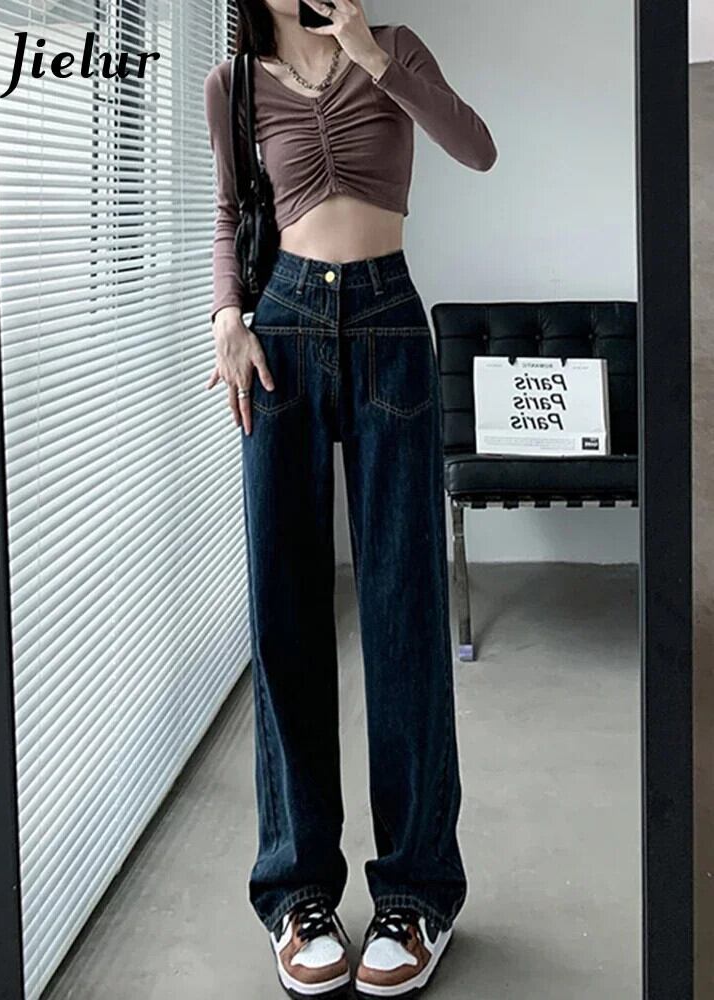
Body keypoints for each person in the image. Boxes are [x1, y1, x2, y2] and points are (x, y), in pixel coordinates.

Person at [203, 1, 497, 995]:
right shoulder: (234, 85)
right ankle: (298, 893)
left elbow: (477, 149)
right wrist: (227, 315)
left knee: (404, 613)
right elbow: (230, 213)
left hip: (389, 327)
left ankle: (416, 891)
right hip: (281, 335)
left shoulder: (395, 49)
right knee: (285, 612)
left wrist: (372, 56)